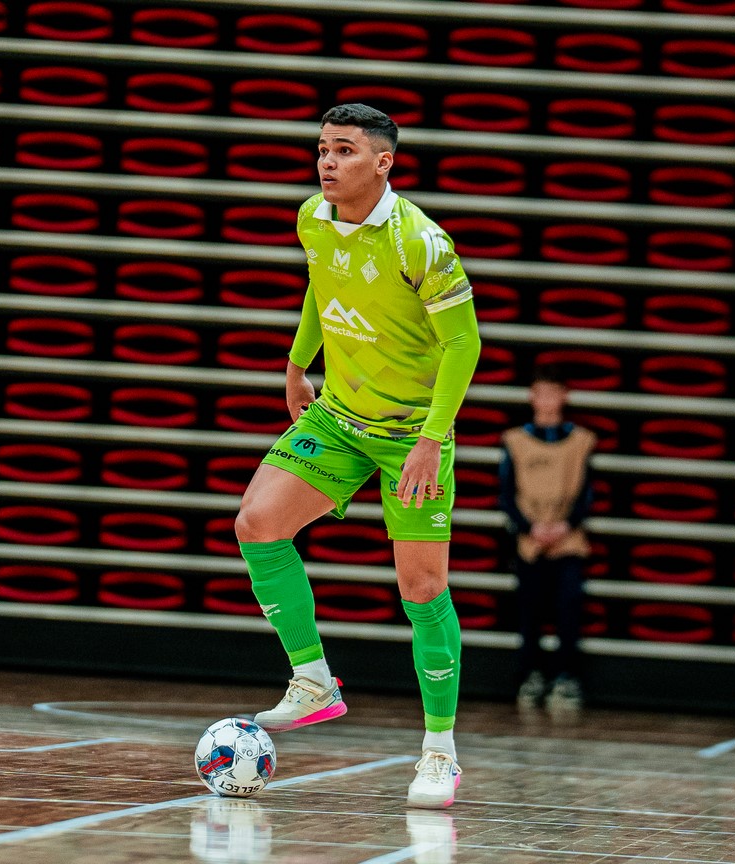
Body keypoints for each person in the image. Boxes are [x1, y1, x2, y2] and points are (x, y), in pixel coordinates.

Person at [233, 103, 481, 809]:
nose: (327, 162)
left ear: (383, 162)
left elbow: (464, 343)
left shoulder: (421, 241)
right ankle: (313, 680)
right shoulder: (312, 217)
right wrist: (296, 364)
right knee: (257, 523)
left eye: (344, 150)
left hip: (412, 433)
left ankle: (440, 753)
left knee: (423, 590)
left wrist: (431, 439)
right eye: (322, 149)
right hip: (339, 417)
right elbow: (323, 289)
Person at [498, 365, 594, 714]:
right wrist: (529, 527)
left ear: (564, 396)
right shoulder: (515, 440)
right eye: (542, 393)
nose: (548, 400)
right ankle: (531, 675)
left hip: (568, 540)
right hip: (530, 541)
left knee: (569, 611)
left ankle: (566, 678)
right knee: (530, 613)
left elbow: (587, 493)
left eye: (555, 392)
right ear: (532, 397)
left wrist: (566, 525)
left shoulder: (581, 441)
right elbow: (506, 494)